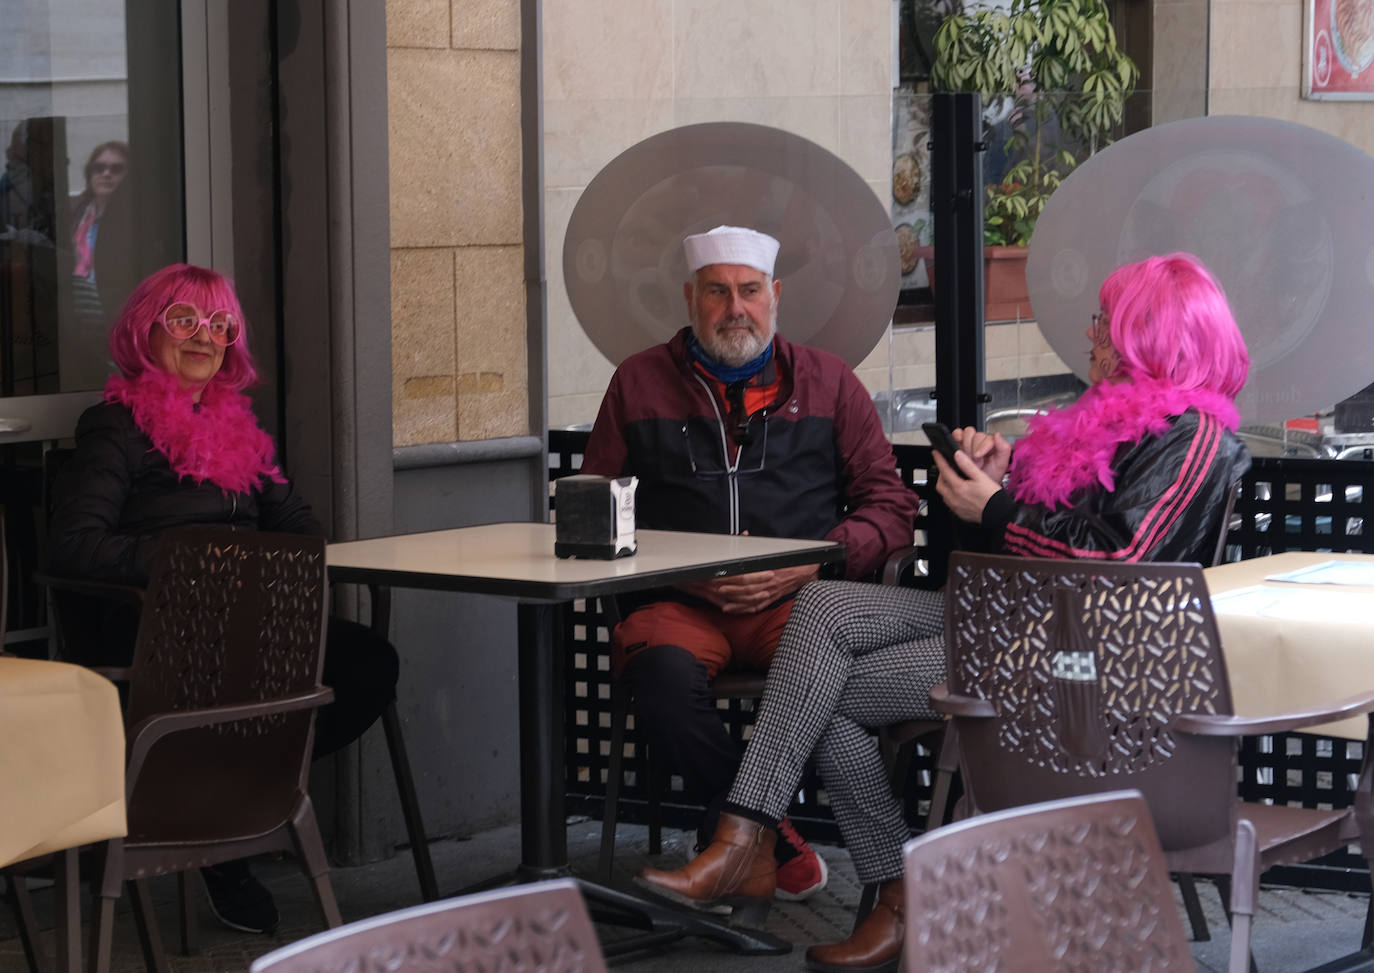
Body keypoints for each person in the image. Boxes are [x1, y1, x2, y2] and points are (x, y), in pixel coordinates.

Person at [635, 252, 1252, 972]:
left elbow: (1116, 565)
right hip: (1006, 617)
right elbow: (1011, 544)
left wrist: (997, 506)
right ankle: (762, 842)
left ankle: (879, 887)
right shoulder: (1098, 425)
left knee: (821, 694)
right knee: (827, 603)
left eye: (1105, 326)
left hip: (1076, 657)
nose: (1091, 338)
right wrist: (995, 481)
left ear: (1151, 335)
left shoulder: (1198, 440)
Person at [47, 263, 400, 936]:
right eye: (185, 321)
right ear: (145, 332)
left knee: (367, 664)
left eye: (220, 324)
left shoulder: (238, 429)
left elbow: (301, 526)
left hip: (248, 624)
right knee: (263, 678)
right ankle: (221, 840)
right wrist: (190, 564)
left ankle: (221, 813)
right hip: (158, 628)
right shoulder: (114, 427)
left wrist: (263, 571)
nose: (204, 337)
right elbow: (74, 545)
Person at [580, 225, 920, 902]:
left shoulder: (829, 383)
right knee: (661, 685)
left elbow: (891, 505)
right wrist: (680, 571)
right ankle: (770, 836)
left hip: (800, 607)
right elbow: (592, 510)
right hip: (679, 604)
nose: (735, 308)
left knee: (827, 676)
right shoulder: (639, 382)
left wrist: (811, 566)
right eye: (717, 291)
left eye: (750, 291)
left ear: (775, 296)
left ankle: (739, 847)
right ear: (690, 297)